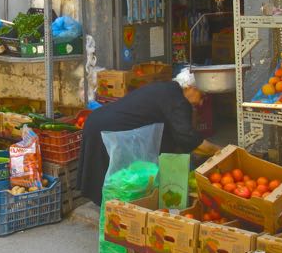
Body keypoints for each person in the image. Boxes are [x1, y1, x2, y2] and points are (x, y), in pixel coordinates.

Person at [77, 67, 221, 205]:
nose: (201, 102)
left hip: (98, 121)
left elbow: (176, 133)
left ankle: (113, 210)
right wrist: (220, 151)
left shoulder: (169, 89)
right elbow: (188, 139)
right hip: (105, 128)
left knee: (113, 180)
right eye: (202, 96)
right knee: (110, 180)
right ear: (190, 87)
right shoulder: (177, 100)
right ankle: (114, 214)